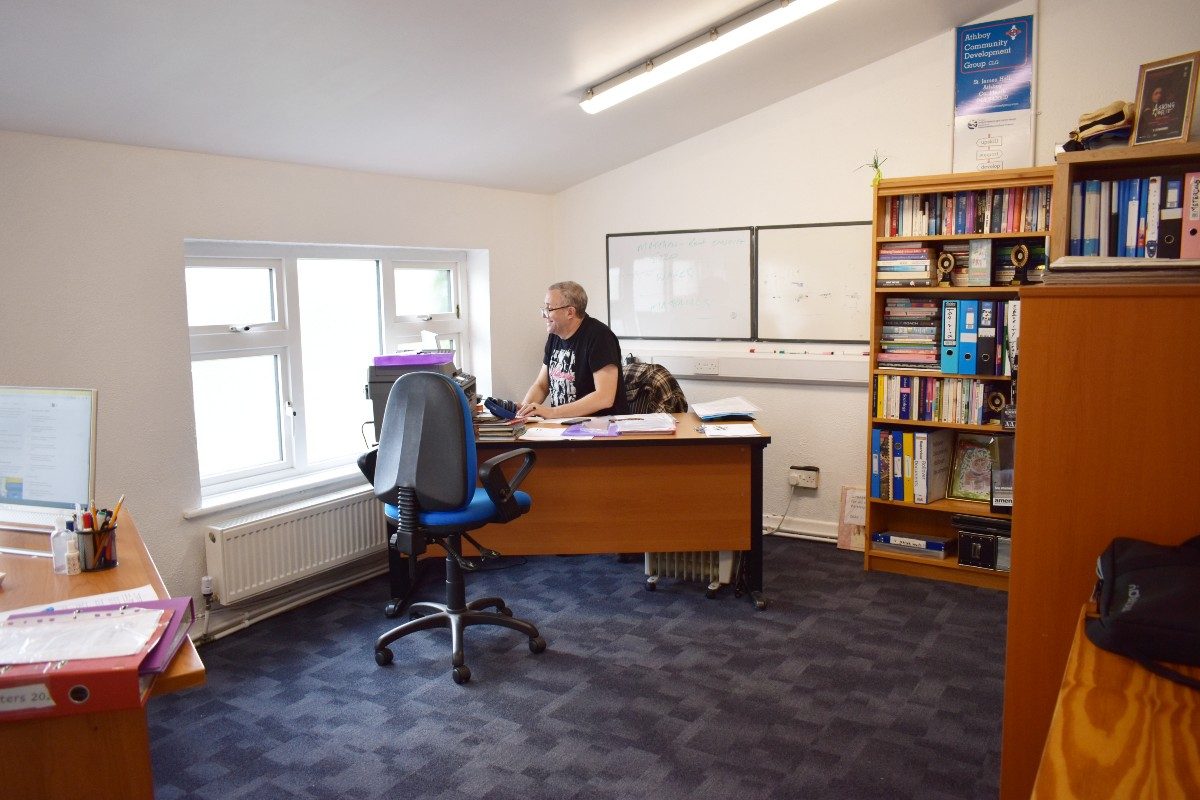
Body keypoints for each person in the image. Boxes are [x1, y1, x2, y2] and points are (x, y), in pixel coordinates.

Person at [519, 281, 628, 419]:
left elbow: (604, 397)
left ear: (570, 312)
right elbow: (541, 385)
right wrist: (524, 410)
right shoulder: (555, 336)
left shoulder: (600, 337)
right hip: (564, 427)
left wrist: (552, 413)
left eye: (549, 309)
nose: (544, 315)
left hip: (601, 430)